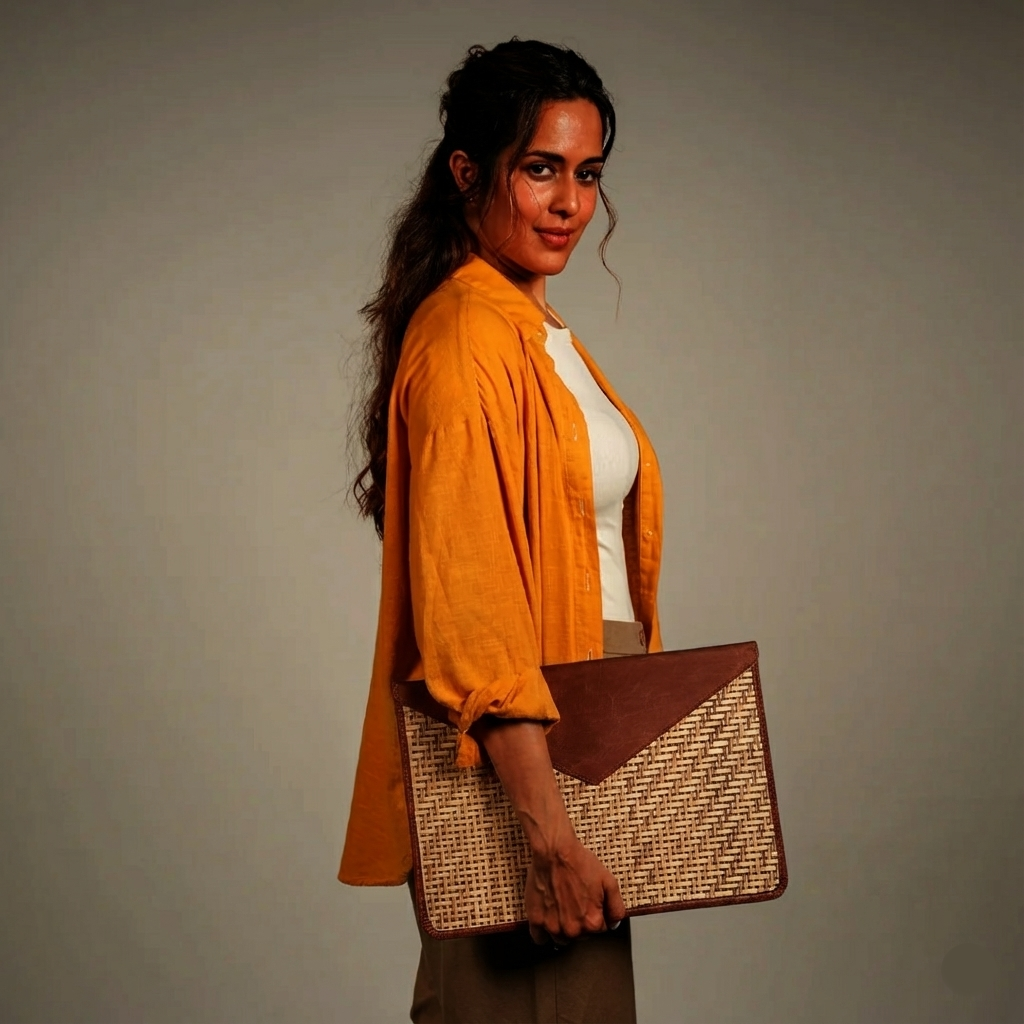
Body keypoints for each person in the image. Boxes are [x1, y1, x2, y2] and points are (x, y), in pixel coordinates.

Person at [340, 38, 664, 1024]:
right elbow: (472, 615)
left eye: (588, 174)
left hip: (579, 725)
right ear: (468, 172)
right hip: (522, 750)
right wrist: (547, 834)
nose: (569, 203)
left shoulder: (538, 333)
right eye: (540, 169)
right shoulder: (464, 340)